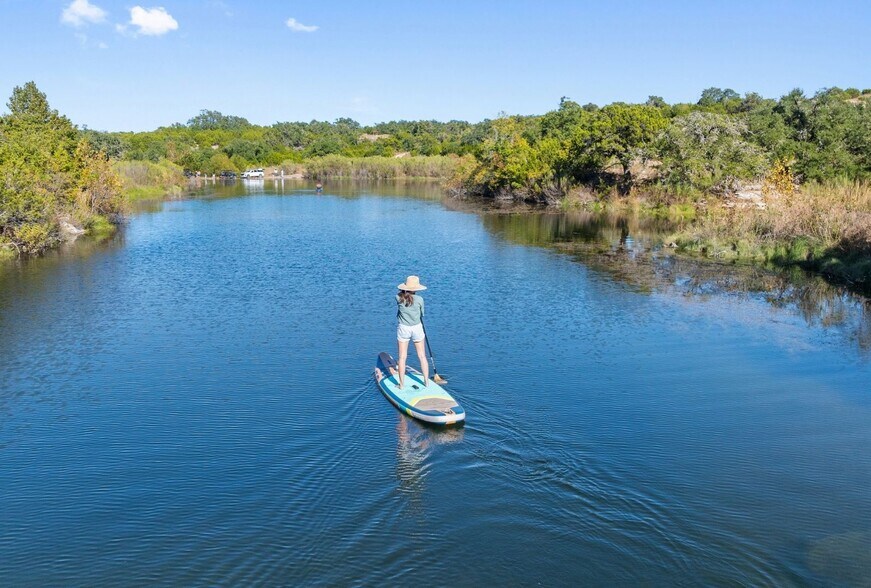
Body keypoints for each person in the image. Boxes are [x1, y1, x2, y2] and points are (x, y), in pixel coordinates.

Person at [395, 275, 429, 389]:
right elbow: (422, 314)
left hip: (403, 328)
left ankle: (401, 385)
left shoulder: (398, 298)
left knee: (402, 357)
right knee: (422, 356)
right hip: (417, 328)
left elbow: (401, 296)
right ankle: (426, 382)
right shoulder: (420, 300)